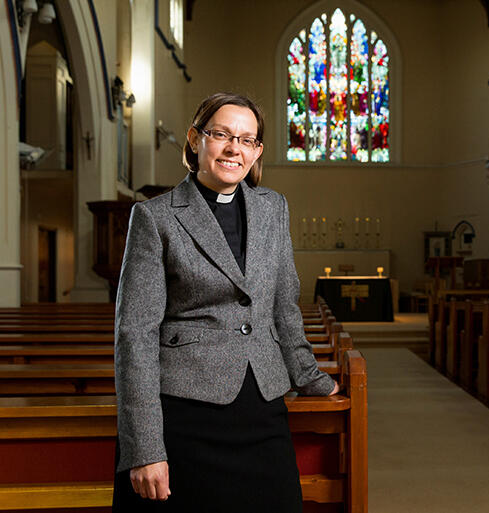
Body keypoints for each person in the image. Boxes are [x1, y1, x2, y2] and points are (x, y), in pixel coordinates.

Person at [112, 92, 338, 512]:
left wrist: (310, 376)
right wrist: (144, 448)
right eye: (222, 134)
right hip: (187, 413)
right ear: (196, 140)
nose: (235, 148)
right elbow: (135, 334)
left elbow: (284, 305)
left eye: (247, 139)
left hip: (262, 406)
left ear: (257, 152)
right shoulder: (155, 217)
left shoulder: (273, 208)